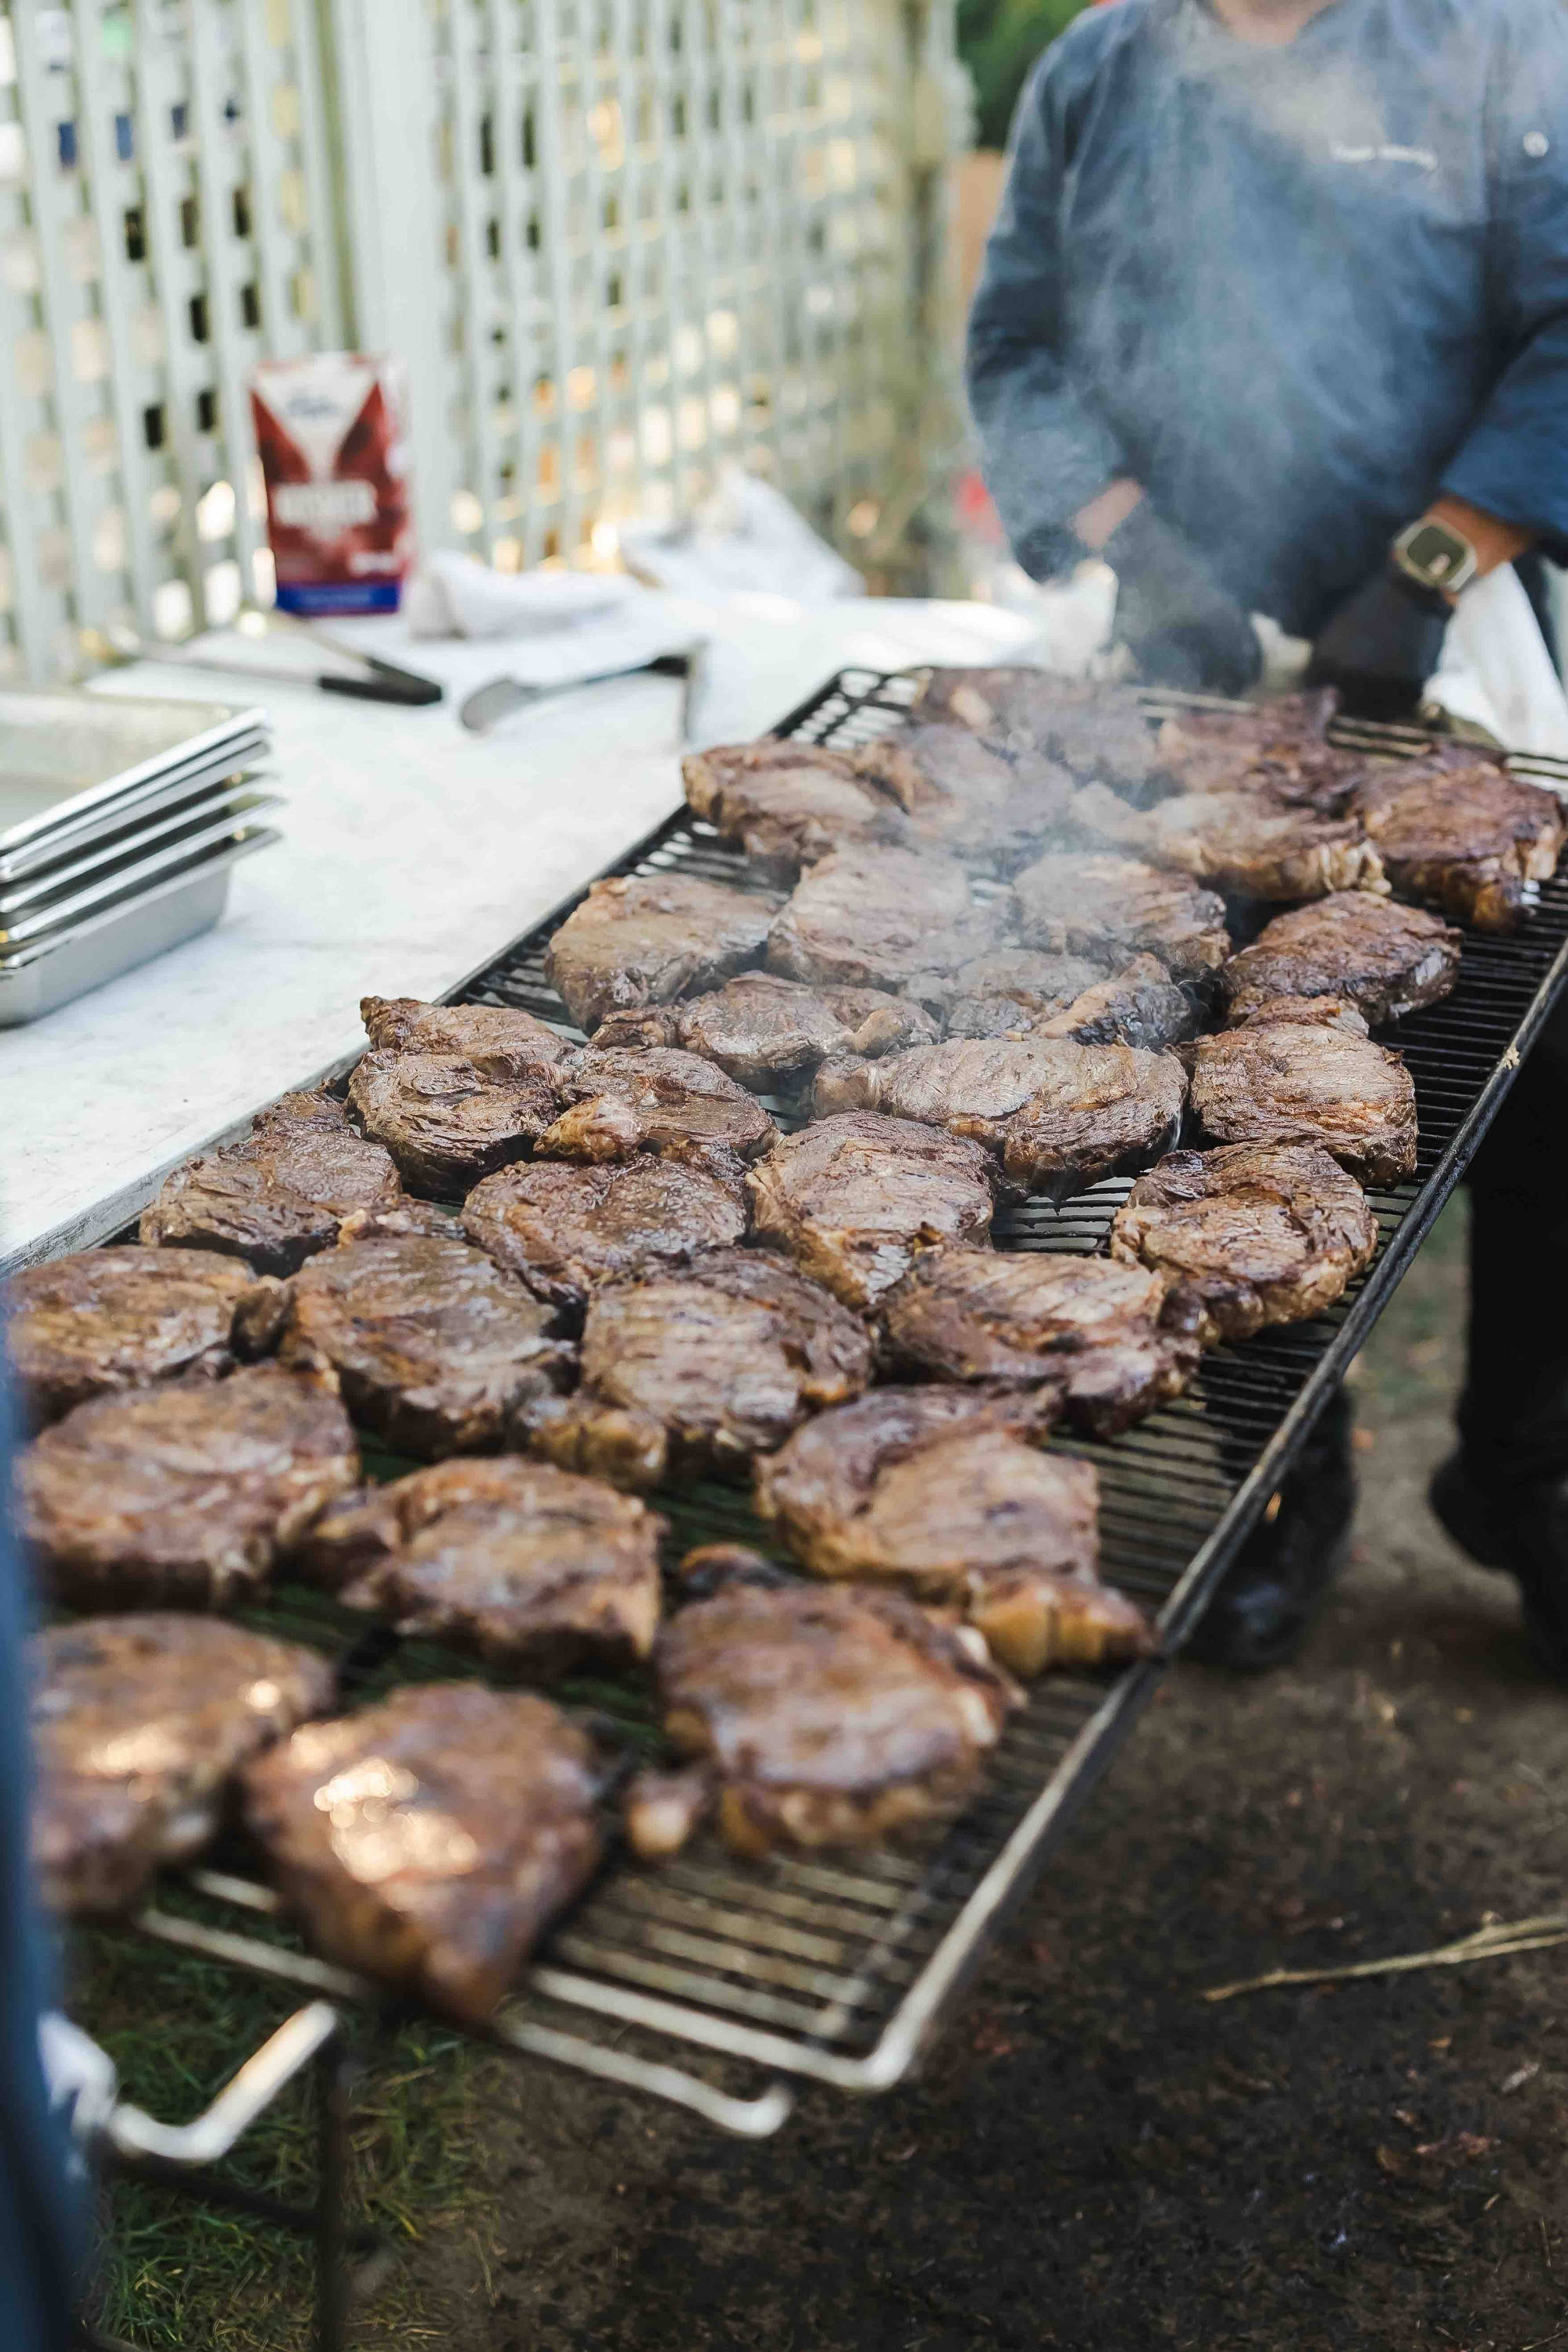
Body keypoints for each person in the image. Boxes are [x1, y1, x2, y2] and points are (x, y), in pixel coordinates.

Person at [966, 0, 1568, 1668]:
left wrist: (1427, 568)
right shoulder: (1099, 67)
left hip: (1446, 652)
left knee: (1544, 1106)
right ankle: (1279, 1485)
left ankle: (1527, 1477)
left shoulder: (1498, 47)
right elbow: (1016, 346)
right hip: (1187, 671)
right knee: (1210, 1102)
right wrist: (1131, 543)